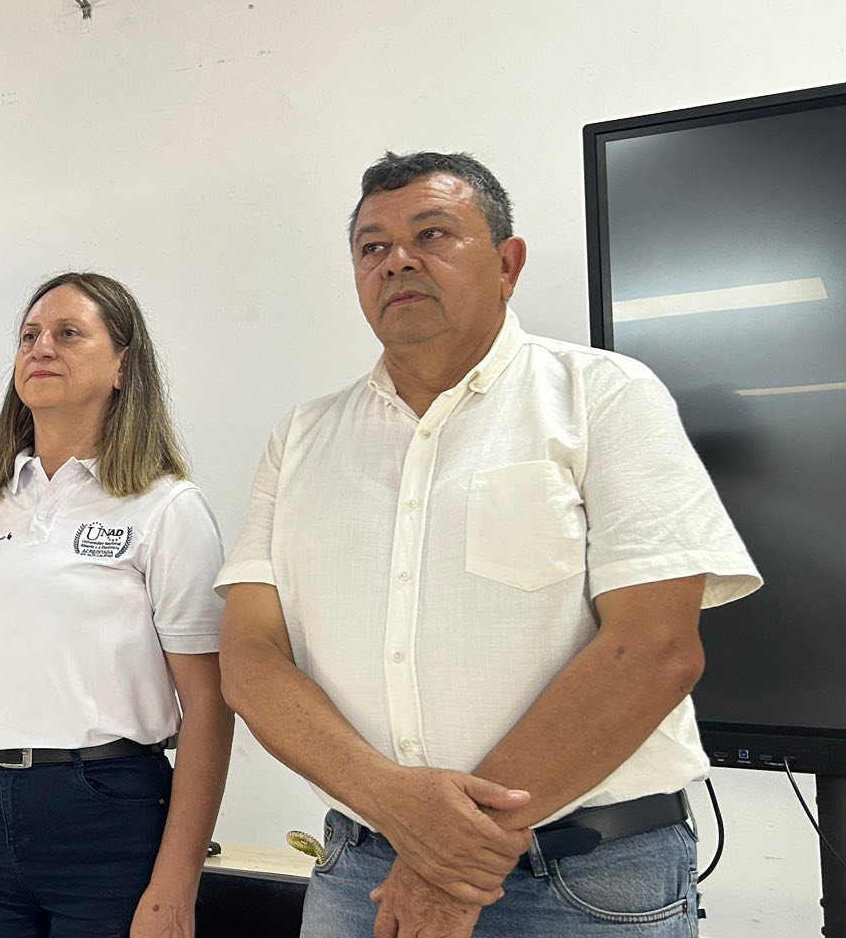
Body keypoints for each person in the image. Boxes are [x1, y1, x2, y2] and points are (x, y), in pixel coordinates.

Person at [217, 152, 762, 938]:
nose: (398, 260)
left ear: (509, 264)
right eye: (372, 247)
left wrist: (449, 858)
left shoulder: (604, 395)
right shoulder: (301, 438)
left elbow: (654, 649)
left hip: (585, 881)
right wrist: (396, 806)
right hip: (363, 869)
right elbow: (250, 657)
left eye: (432, 234)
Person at [0, 273, 236, 938]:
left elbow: (209, 705)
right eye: (29, 336)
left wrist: (177, 882)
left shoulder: (166, 506)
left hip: (107, 814)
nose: (41, 347)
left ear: (123, 366)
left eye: (68, 333)